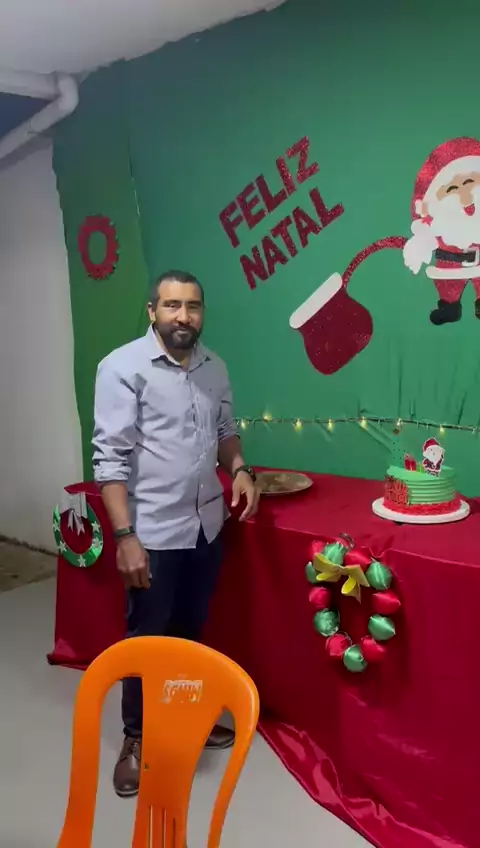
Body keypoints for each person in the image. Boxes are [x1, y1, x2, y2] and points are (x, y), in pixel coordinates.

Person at [92, 269, 259, 798]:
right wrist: (125, 537)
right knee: (147, 641)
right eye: (172, 306)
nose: (183, 316)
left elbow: (225, 432)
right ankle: (137, 738)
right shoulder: (121, 368)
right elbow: (110, 460)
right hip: (152, 534)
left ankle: (186, 718)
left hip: (206, 528)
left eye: (193, 306)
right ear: (152, 312)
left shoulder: (215, 368)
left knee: (189, 634)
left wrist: (239, 470)